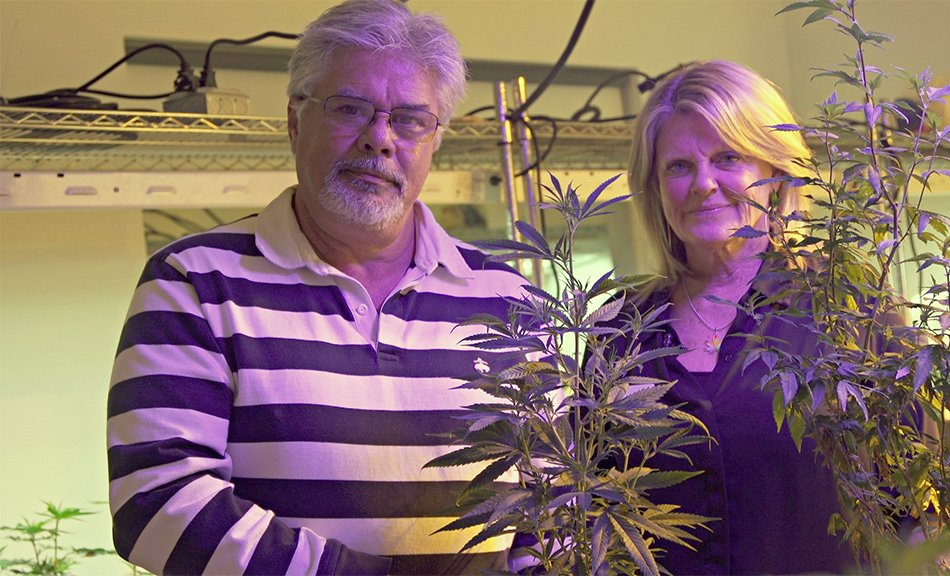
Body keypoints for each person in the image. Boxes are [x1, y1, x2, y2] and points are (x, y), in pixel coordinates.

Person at [105, 1, 528, 574]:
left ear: (434, 140)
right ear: (295, 121)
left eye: (409, 119)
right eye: (350, 109)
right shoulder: (193, 282)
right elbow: (156, 505)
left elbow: (553, 500)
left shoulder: (508, 296)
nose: (379, 139)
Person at [617, 59, 856, 574]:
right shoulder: (619, 333)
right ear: (655, 189)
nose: (703, 183)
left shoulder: (845, 309)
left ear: (775, 170)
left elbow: (921, 503)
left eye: (728, 157)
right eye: (677, 166)